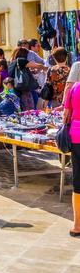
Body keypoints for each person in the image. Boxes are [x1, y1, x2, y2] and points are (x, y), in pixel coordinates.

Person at [63, 81, 80, 237]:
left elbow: (66, 115)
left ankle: (77, 225)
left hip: (76, 136)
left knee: (78, 180)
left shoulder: (74, 87)